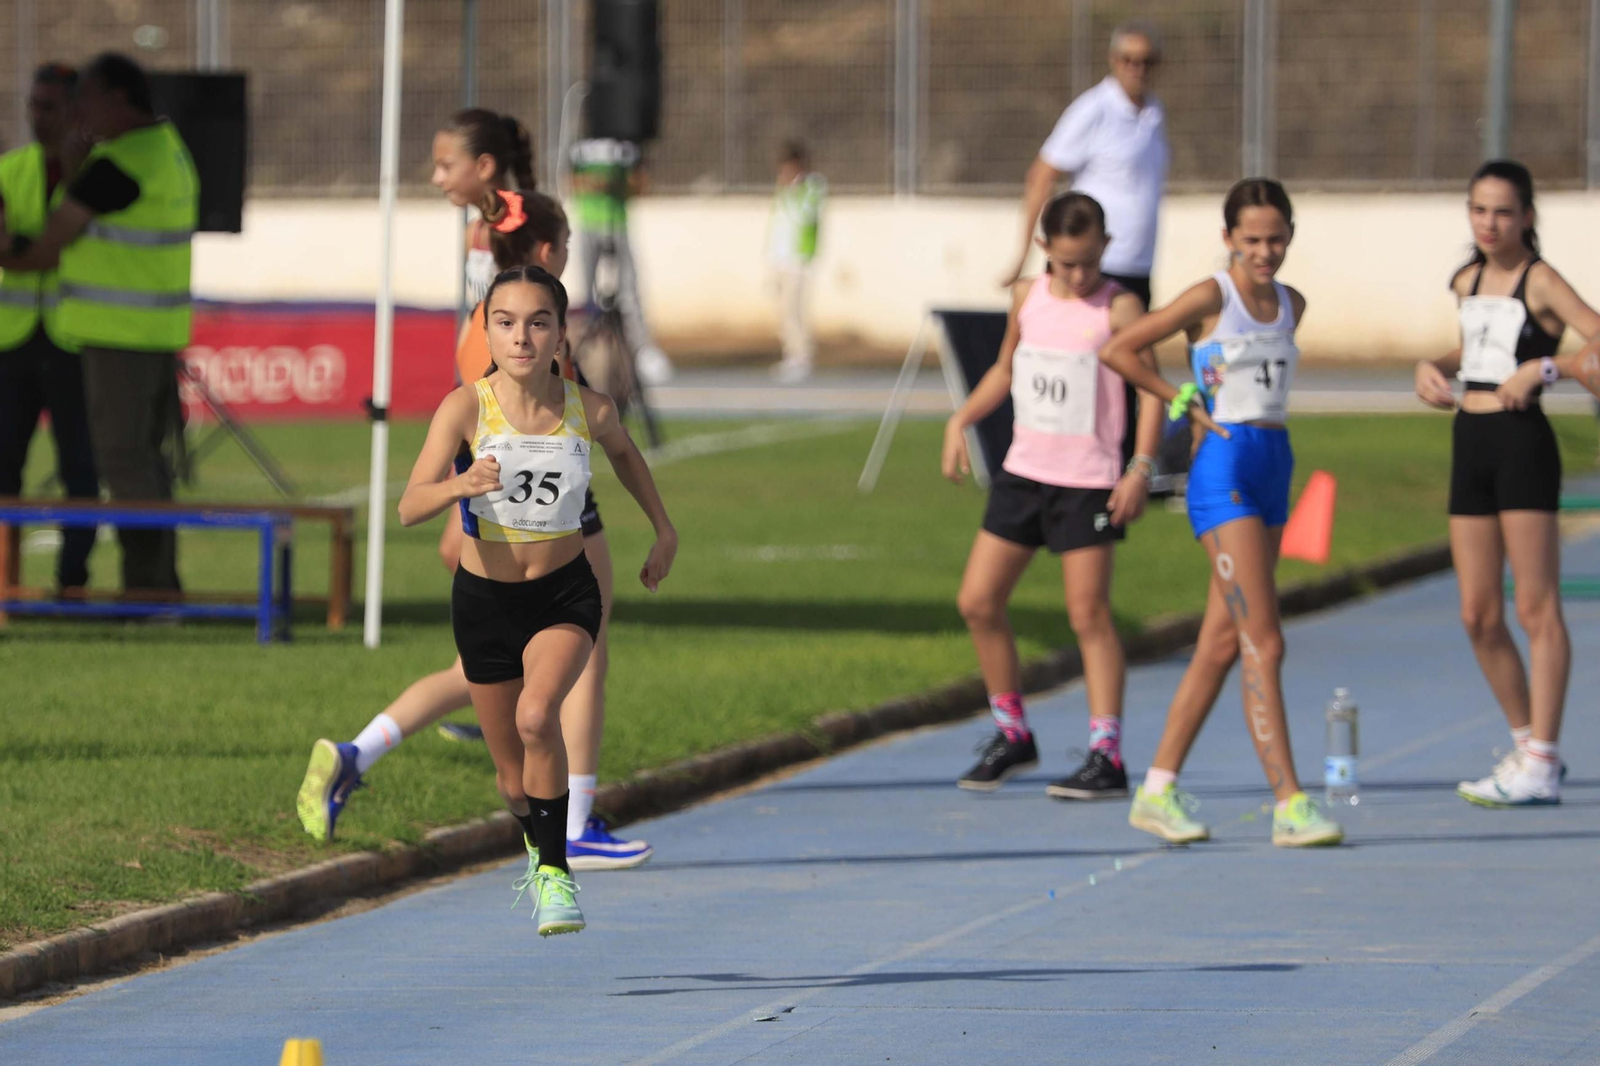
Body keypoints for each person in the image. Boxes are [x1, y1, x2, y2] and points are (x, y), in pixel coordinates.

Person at [297, 190, 654, 869]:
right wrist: (469, 517)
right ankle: (573, 822)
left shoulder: (502, 322)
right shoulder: (504, 335)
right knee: (586, 659)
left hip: (532, 511)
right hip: (533, 519)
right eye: (569, 243)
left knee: (481, 672)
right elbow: (485, 430)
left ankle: (355, 752)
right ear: (547, 252)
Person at [396, 264, 677, 935]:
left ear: (560, 335)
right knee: (512, 780)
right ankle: (540, 837)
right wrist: (460, 486)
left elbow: (628, 457)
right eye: (505, 322)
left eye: (538, 322)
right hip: (485, 601)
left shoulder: (589, 407)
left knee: (536, 715)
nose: (521, 337)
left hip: (563, 594)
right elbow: (410, 505)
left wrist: (663, 530)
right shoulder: (465, 408)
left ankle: (555, 874)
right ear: (486, 331)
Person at [1098, 178, 1344, 848]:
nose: (1265, 252)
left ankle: (1156, 789)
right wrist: (1179, 399)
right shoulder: (1212, 295)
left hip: (1274, 465)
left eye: (1276, 238)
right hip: (1223, 473)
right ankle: (1289, 803)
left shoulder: (1292, 304)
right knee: (1265, 640)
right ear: (1228, 236)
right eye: (1252, 239)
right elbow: (1118, 348)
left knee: (1216, 644)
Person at [944, 192, 1161, 798]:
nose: (1078, 274)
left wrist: (1139, 468)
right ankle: (1013, 734)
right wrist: (959, 420)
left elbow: (1149, 390)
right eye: (1066, 262)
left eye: (1089, 261)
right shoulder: (1027, 297)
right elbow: (1006, 369)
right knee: (978, 602)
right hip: (1024, 472)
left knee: (1088, 615)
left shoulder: (1120, 308)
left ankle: (1107, 755)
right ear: (1044, 249)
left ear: (1105, 250)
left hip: (1089, 481)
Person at [1414, 160, 1600, 807]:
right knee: (1477, 612)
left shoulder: (1542, 281)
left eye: (1502, 211)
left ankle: (1542, 761)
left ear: (1526, 217)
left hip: (1522, 443)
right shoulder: (1467, 279)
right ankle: (1526, 747)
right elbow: (1470, 350)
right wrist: (1430, 367)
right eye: (1478, 210)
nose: (1489, 223)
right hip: (1471, 441)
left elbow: (1597, 342)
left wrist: (1547, 368)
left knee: (1535, 607)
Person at [0, 52, 197, 595]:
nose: (75, 114)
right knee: (143, 465)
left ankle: (148, 590)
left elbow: (46, 248)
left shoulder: (117, 164)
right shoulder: (166, 148)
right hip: (151, 334)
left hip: (120, 338)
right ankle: (157, 587)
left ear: (116, 99)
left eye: (83, 99)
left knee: (124, 465)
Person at [0, 62, 99, 595]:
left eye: (50, 107)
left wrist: (24, 249)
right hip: (10, 340)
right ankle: (3, 584)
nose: (38, 118)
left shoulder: (97, 173)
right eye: (33, 106)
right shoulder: (10, 169)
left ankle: (73, 582)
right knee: (3, 469)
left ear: (76, 112)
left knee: (80, 468)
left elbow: (41, 248)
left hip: (72, 338)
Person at [1002, 20, 1168, 308]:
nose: (1137, 69)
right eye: (1128, 60)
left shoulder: (1154, 111)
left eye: (1146, 62)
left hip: (1139, 265)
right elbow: (1041, 175)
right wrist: (1023, 255)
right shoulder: (1093, 109)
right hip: (1093, 268)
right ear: (1113, 60)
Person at [568, 135, 673, 386]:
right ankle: (587, 353)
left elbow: (640, 184)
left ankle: (642, 351)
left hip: (618, 223)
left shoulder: (627, 147)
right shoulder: (581, 147)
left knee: (630, 290)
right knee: (587, 292)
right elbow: (572, 182)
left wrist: (616, 185)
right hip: (588, 223)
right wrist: (598, 183)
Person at [766, 140, 826, 384]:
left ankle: (802, 356)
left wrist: (793, 189)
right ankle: (791, 353)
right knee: (785, 311)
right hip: (781, 259)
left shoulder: (812, 186)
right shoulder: (783, 191)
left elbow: (806, 215)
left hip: (800, 258)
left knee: (796, 309)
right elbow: (777, 225)